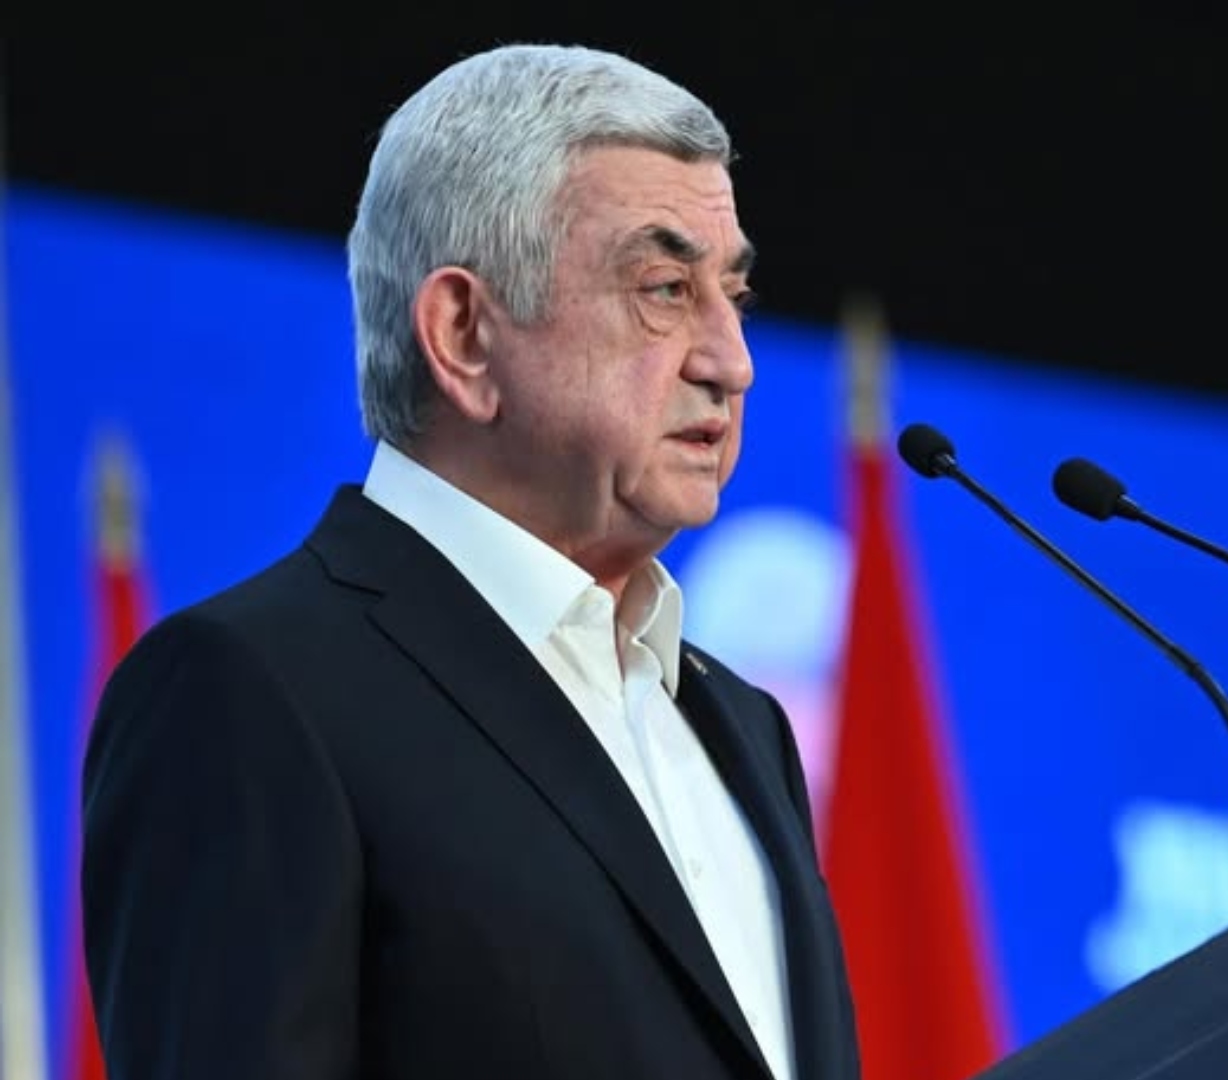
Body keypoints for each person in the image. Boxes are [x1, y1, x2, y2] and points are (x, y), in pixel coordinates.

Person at [80, 42, 861, 1080]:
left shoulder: (742, 724)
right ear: (463, 334)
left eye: (735, 296)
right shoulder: (252, 689)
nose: (734, 362)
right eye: (667, 288)